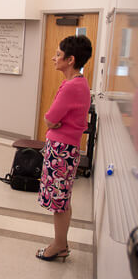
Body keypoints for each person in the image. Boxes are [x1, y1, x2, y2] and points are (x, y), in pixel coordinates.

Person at [36, 35, 92, 262]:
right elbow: (53, 119)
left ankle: (59, 245)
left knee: (59, 201)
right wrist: (54, 122)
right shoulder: (77, 83)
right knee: (62, 200)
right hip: (64, 147)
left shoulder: (72, 86)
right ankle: (61, 242)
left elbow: (50, 118)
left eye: (58, 54)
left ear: (70, 60)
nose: (53, 58)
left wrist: (53, 122)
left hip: (62, 149)